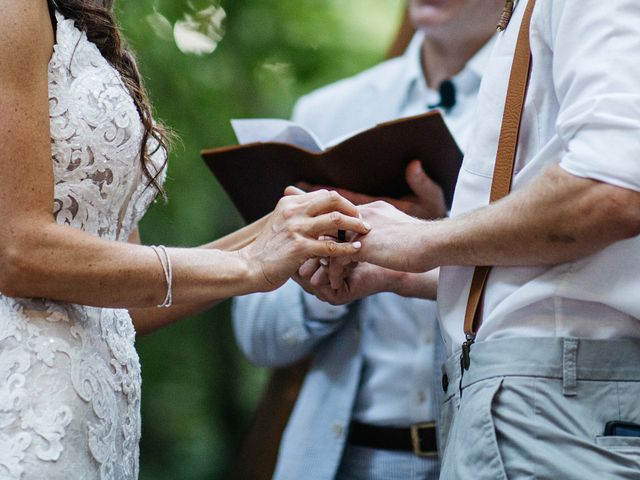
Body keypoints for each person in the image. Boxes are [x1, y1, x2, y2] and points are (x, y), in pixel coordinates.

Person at [0, 1, 369, 478]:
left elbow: (124, 303)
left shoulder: (86, 26)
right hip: (26, 411)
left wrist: (284, 233)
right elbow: (17, 250)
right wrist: (250, 264)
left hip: (97, 425)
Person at [312, 0, 640, 478]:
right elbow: (582, 270)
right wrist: (404, 269)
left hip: (555, 406)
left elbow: (609, 191)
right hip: (547, 401)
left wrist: (423, 240)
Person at [232, 1, 503, 478]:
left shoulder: (541, 104)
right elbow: (258, 336)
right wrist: (331, 268)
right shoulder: (328, 112)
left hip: (486, 454)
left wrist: (434, 243)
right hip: (339, 456)